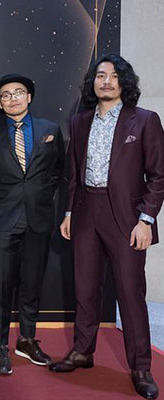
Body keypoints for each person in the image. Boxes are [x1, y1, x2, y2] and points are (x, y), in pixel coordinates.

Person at [50, 54, 164, 400]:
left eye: (114, 76)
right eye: (101, 75)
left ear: (124, 82)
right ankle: (83, 351)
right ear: (93, 82)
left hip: (127, 219)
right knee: (85, 289)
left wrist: (146, 220)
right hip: (86, 213)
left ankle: (140, 367)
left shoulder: (145, 120)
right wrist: (69, 212)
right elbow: (73, 174)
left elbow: (158, 176)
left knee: (130, 293)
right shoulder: (80, 121)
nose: (107, 81)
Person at [0, 74, 64, 375]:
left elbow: (57, 172)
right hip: (4, 219)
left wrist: (41, 197)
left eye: (18, 92)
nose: (13, 98)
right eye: (6, 95)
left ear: (29, 97)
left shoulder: (50, 130)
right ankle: (0, 345)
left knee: (32, 283)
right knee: (1, 286)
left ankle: (27, 339)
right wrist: (0, 201)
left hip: (39, 218)